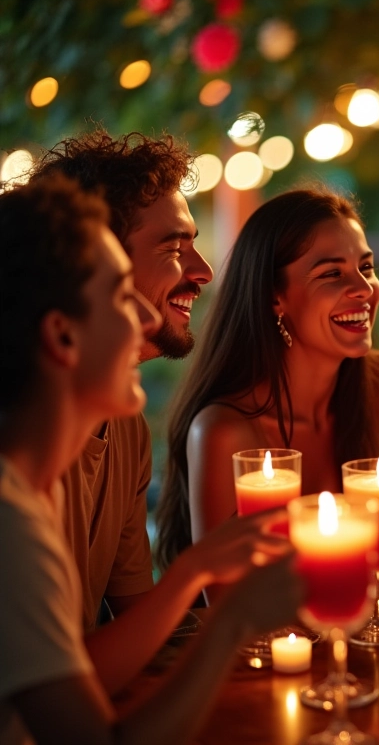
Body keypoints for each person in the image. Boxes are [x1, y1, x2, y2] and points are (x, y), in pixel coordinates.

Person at [0, 174, 301, 744]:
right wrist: (231, 622)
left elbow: (86, 670)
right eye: (119, 296)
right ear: (61, 336)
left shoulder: (60, 469)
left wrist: (198, 569)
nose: (142, 320)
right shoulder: (10, 518)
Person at [27, 128, 258, 695]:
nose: (203, 271)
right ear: (94, 264)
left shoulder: (123, 423)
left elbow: (133, 625)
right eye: (174, 249)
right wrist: (202, 582)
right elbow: (64, 696)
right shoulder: (21, 457)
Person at [155, 187, 379, 572]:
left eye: (366, 268)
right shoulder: (225, 432)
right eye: (332, 273)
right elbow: (225, 604)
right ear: (275, 297)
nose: (364, 289)